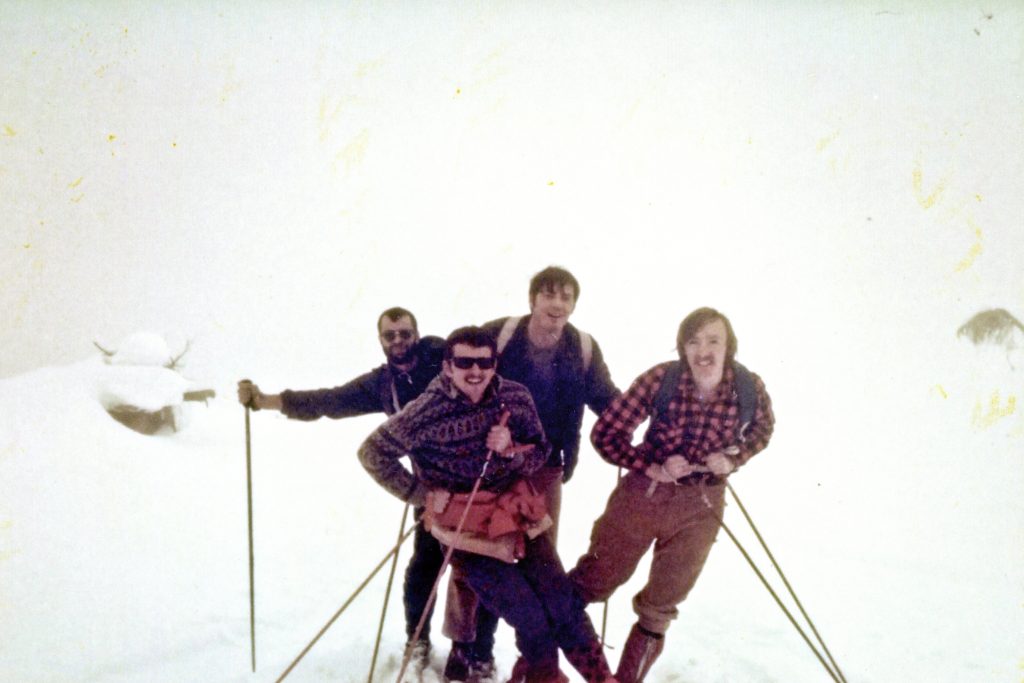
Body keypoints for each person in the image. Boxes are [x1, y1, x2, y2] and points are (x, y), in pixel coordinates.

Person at [358, 326, 617, 683]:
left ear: (495, 364)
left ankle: (605, 679)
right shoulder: (426, 411)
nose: (475, 371)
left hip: (518, 511)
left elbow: (540, 451)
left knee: (563, 604)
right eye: (464, 362)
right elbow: (372, 453)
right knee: (529, 616)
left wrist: (511, 448)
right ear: (448, 366)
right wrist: (422, 495)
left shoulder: (515, 397)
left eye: (484, 362)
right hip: (466, 526)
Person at [568, 307, 775, 683]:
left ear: (729, 346)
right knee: (593, 581)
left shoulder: (748, 387)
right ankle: (537, 669)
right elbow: (605, 434)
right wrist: (651, 465)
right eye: (693, 341)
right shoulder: (662, 379)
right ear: (682, 346)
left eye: (714, 340)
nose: (704, 350)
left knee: (662, 605)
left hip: (703, 505)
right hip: (644, 496)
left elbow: (763, 430)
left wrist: (733, 459)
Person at [236, 307, 445, 673]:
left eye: (405, 333)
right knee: (422, 571)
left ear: (417, 334)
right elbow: (329, 401)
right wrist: (265, 400)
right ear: (380, 340)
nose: (399, 341)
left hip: (477, 478)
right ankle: (419, 642)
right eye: (390, 335)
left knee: (476, 574)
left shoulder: (442, 357)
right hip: (430, 488)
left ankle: (474, 653)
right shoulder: (382, 384)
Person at [444, 266, 620, 678]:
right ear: (532, 300)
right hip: (487, 467)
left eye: (566, 297)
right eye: (548, 295)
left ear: (574, 304)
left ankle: (534, 659)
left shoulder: (584, 347)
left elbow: (606, 399)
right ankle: (468, 646)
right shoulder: (501, 335)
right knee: (474, 561)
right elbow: (460, 372)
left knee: (537, 565)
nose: (557, 304)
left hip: (544, 469)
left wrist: (638, 422)